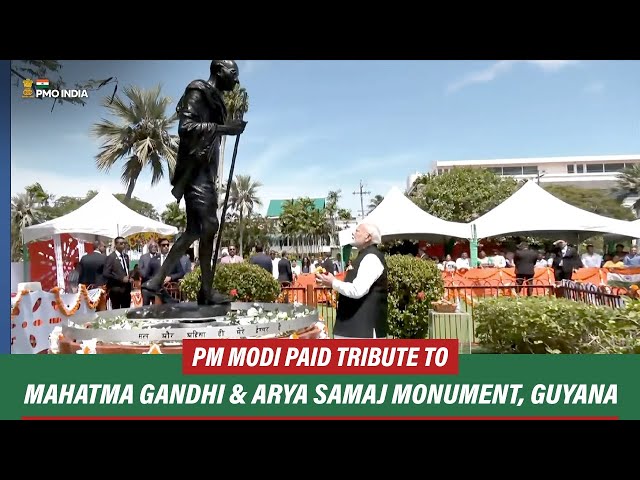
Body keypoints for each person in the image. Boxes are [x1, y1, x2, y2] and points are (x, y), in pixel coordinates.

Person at [142, 60, 246, 305]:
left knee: (195, 230)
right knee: (209, 225)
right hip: (195, 171)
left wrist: (226, 129)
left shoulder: (215, 98)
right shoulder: (197, 90)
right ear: (219, 71)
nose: (236, 80)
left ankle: (159, 281)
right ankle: (205, 292)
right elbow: (186, 127)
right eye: (233, 73)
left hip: (206, 171)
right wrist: (223, 129)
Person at [316, 223, 387, 339]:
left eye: (357, 231)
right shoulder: (364, 256)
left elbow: (357, 290)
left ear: (368, 237)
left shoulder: (371, 258)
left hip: (362, 332)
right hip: (353, 329)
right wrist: (328, 281)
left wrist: (333, 282)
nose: (353, 233)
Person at [104, 236, 133, 309]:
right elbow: (106, 273)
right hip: (116, 290)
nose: (123, 245)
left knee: (126, 311)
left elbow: (126, 270)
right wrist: (120, 278)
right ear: (116, 245)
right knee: (116, 312)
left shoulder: (126, 257)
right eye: (121, 243)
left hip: (126, 290)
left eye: (124, 243)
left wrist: (130, 278)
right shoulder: (111, 257)